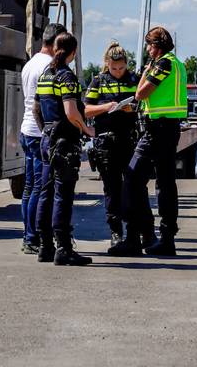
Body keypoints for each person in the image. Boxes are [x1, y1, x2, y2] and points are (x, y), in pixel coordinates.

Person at [108, 26, 187, 257]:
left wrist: (146, 69)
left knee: (132, 179)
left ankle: (133, 237)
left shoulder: (163, 63)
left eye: (149, 45)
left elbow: (141, 92)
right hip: (168, 128)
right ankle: (166, 237)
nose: (147, 50)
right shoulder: (177, 63)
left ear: (156, 45)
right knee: (164, 182)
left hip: (158, 129)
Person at [33, 32, 93, 266]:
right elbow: (71, 112)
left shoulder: (45, 75)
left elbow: (36, 109)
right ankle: (64, 248)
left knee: (45, 193)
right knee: (63, 196)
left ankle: (45, 246)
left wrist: (47, 131)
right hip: (64, 143)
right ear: (73, 52)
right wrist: (87, 130)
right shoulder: (66, 76)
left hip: (47, 140)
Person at [82, 41, 139, 248]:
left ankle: (133, 229)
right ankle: (116, 232)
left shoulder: (134, 79)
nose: (117, 72)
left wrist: (131, 109)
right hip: (105, 141)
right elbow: (86, 110)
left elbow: (143, 105)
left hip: (129, 140)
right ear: (107, 64)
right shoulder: (98, 81)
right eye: (114, 68)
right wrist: (106, 107)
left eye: (121, 68)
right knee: (112, 189)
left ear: (127, 64)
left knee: (133, 187)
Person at [18, 22, 65, 255]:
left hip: (27, 130)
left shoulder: (30, 64)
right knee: (40, 187)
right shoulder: (50, 66)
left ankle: (28, 235)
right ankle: (33, 236)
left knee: (30, 187)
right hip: (40, 133)